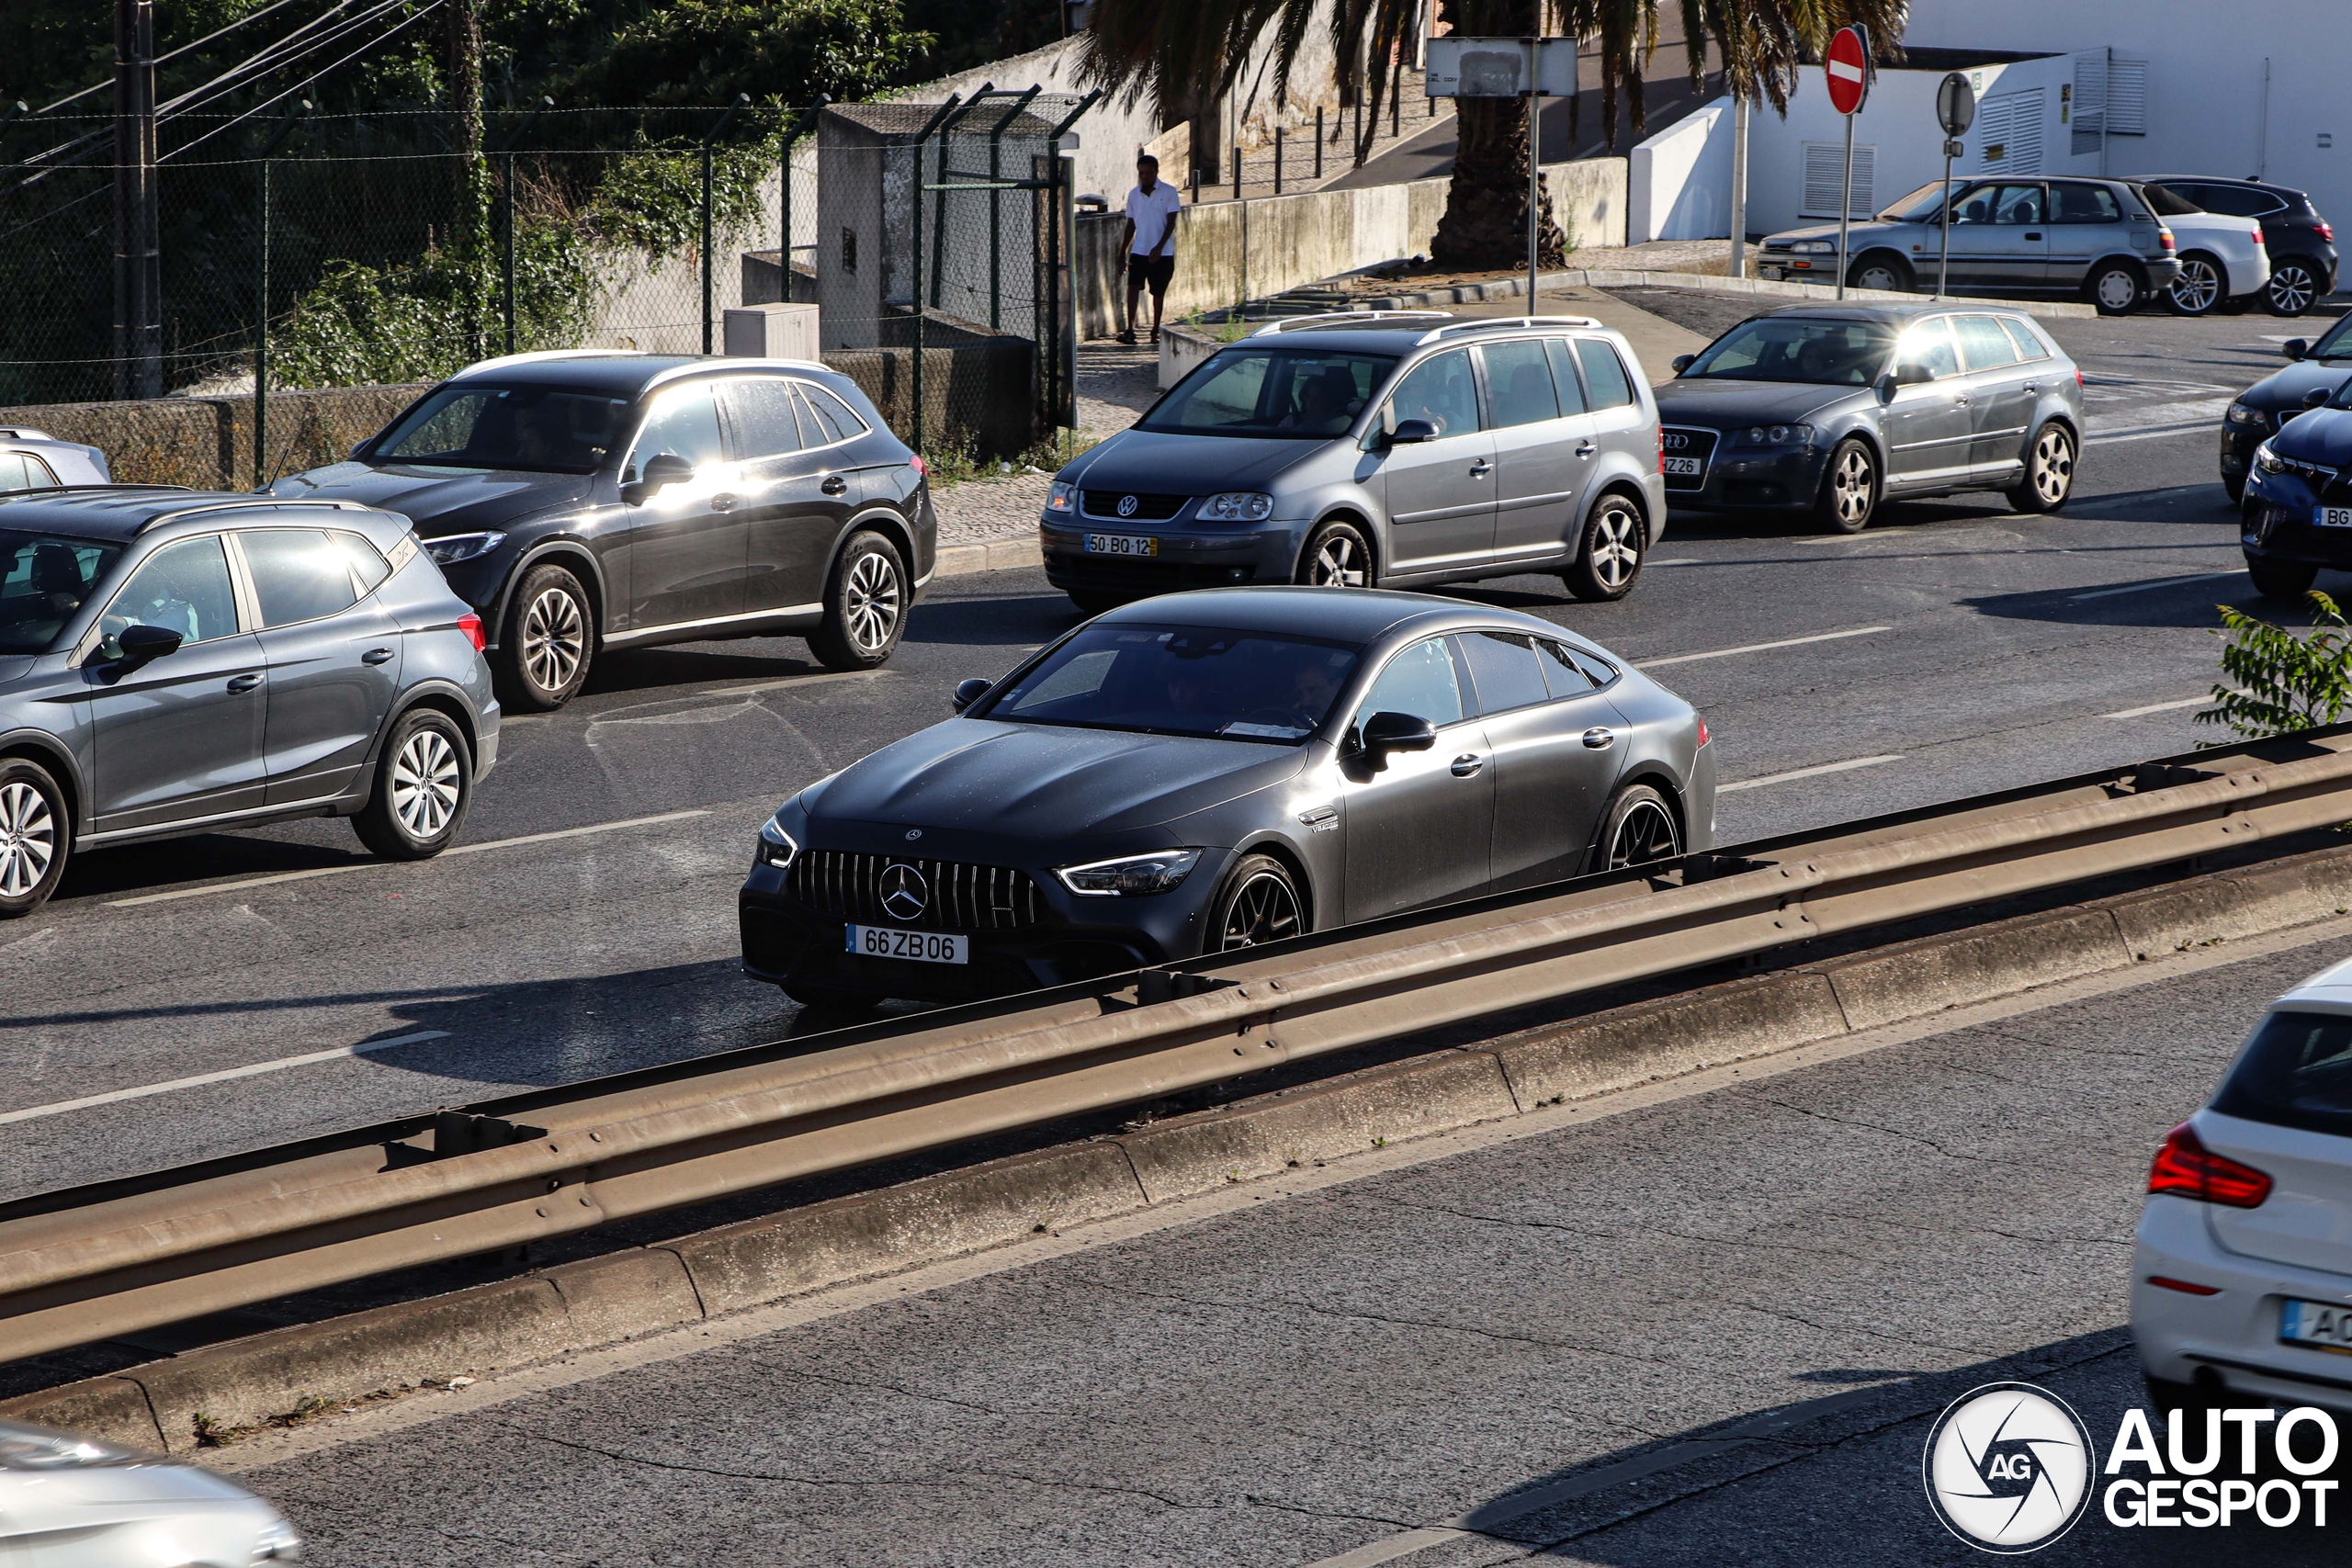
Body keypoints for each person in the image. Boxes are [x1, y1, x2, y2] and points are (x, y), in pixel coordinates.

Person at [1119, 153, 1182, 347]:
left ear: (1156, 172)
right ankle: (1130, 330)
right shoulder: (1133, 195)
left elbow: (1171, 223)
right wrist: (1123, 251)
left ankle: (1155, 329)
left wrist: (1159, 247)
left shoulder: (1169, 192)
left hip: (1163, 253)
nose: (1144, 176)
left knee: (1158, 292)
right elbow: (1131, 224)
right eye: (1141, 173)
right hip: (1139, 250)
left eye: (1148, 173)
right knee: (1132, 287)